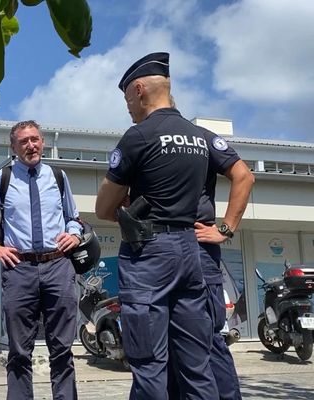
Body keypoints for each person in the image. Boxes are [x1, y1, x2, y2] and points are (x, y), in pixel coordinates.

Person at [95, 52, 218, 399]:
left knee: (149, 364)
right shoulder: (198, 137)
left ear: (139, 89)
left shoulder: (139, 136)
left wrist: (124, 198)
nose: (128, 108)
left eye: (127, 99)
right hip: (190, 250)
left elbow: (104, 207)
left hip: (150, 254)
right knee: (197, 365)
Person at [0, 120, 82, 400]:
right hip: (19, 269)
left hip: (58, 266)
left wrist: (75, 234)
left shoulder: (58, 176)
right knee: (19, 351)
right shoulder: (2, 179)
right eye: (23, 141)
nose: (30, 145)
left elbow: (73, 217)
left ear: (42, 142)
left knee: (63, 349)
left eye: (35, 139)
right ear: (13, 147)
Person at [171, 127, 254, 400]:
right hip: (163, 256)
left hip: (199, 252)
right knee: (171, 342)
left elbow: (243, 176)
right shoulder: (147, 139)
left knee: (208, 339)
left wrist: (225, 230)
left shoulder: (200, 137)